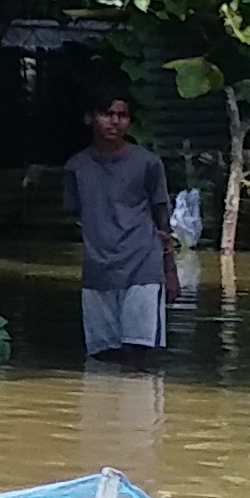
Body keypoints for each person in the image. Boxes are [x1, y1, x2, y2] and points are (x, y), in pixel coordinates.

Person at [65, 91, 176, 364]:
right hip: (98, 271)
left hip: (142, 268)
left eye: (122, 115)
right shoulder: (76, 168)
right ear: (90, 118)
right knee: (102, 359)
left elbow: (162, 217)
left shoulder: (147, 163)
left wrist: (170, 271)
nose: (114, 122)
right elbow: (79, 213)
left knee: (137, 354)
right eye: (107, 114)